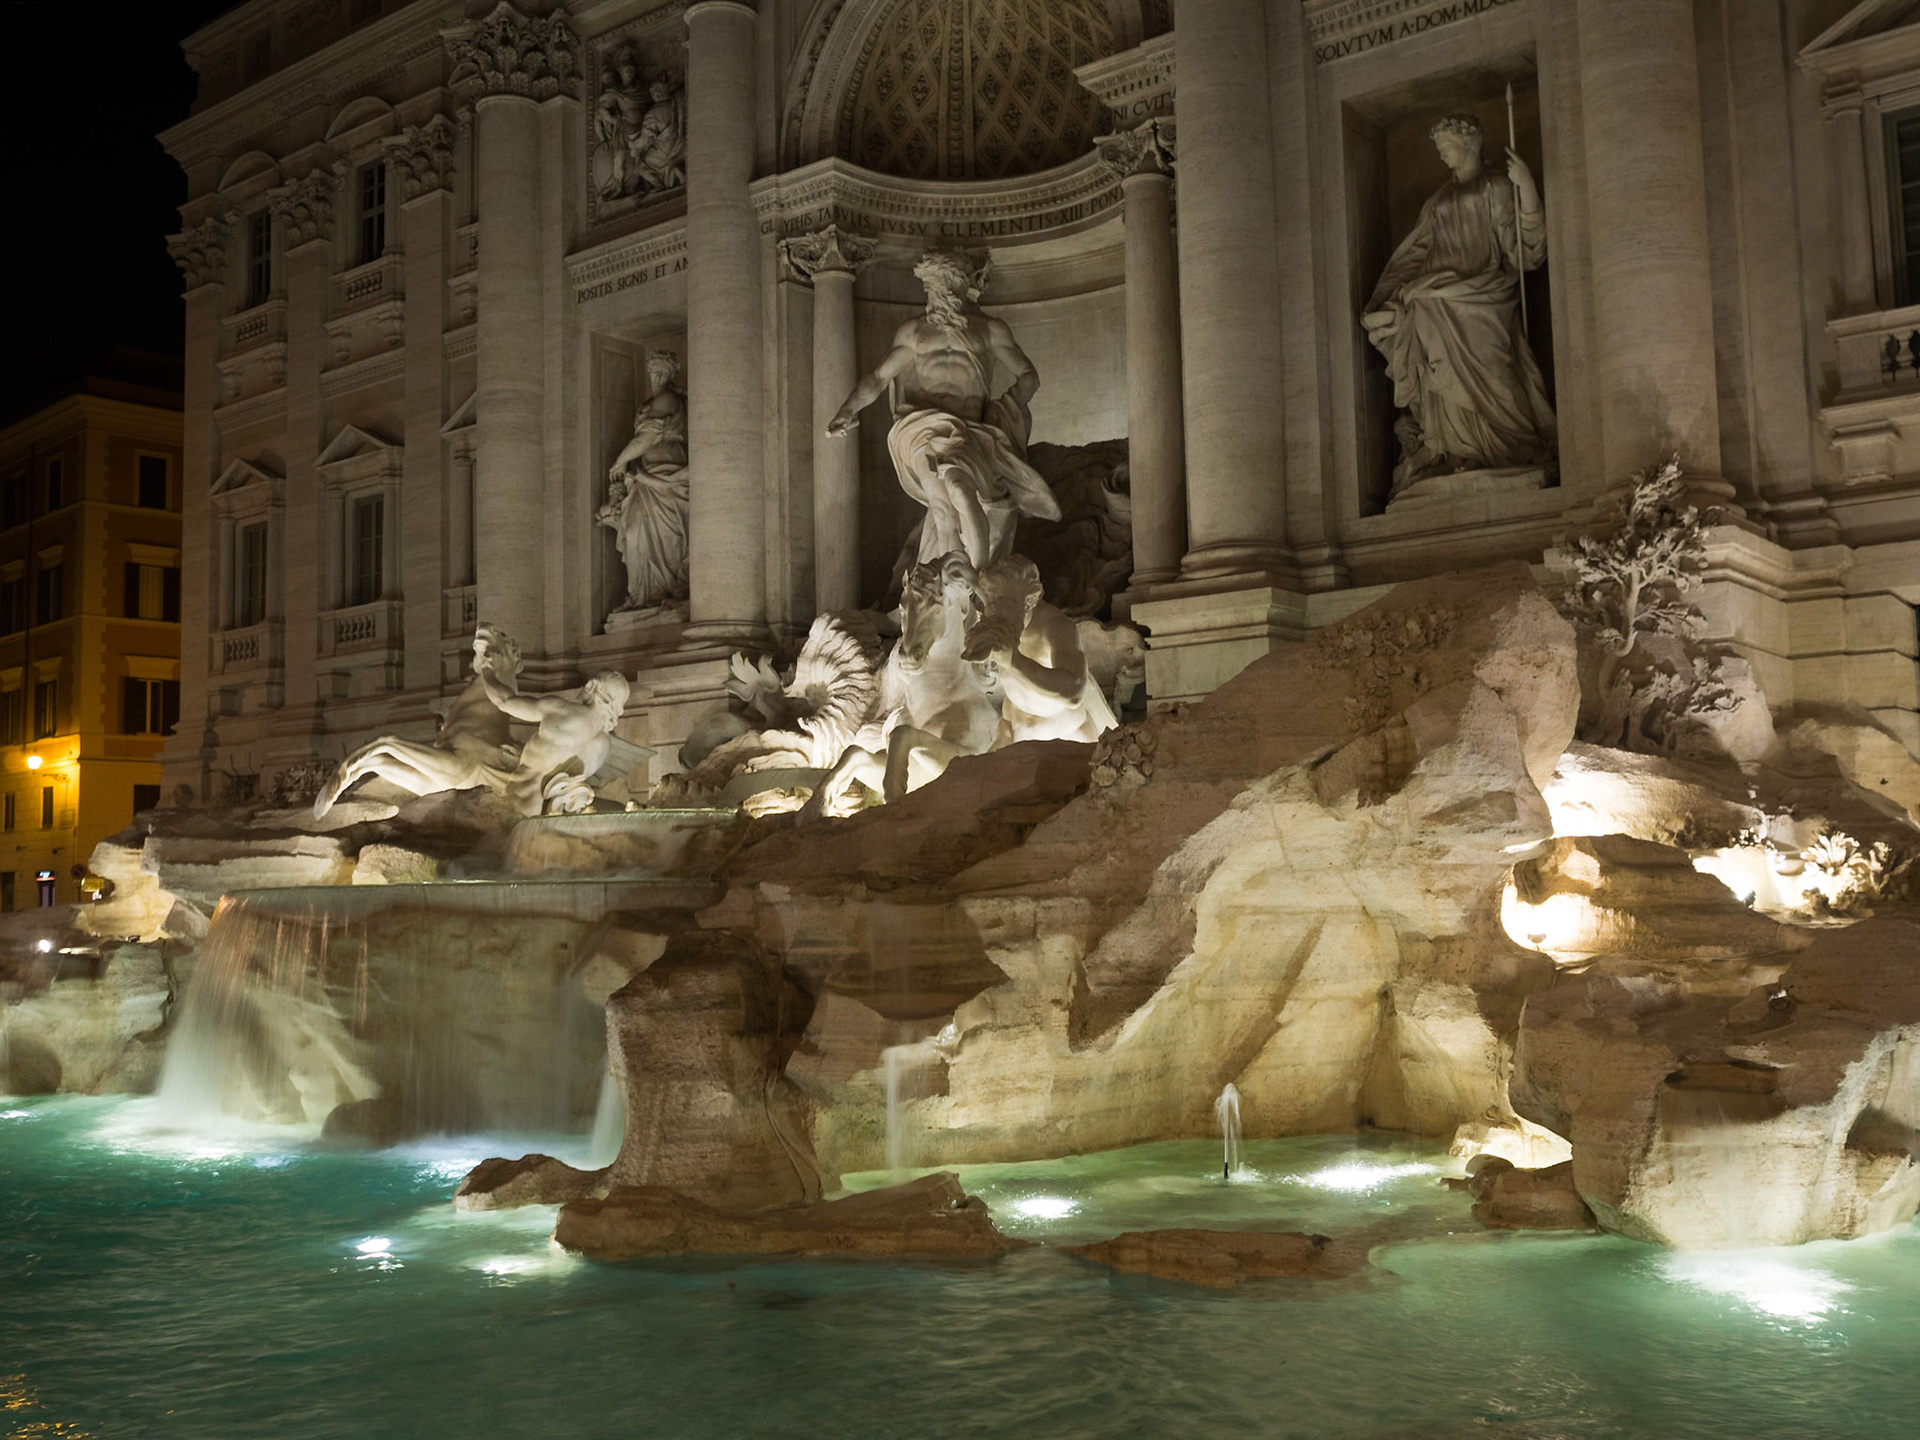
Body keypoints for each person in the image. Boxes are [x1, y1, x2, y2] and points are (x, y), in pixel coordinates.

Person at [1362, 113, 1556, 497]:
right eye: (1439, 149)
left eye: (1446, 147)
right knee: (1435, 356)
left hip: (1483, 294)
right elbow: (1416, 253)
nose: (1442, 156)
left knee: (1496, 373)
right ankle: (1454, 450)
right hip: (1435, 297)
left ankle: (1513, 449)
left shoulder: (1496, 187)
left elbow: (1524, 255)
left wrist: (1528, 190)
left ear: (1468, 145)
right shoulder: (1439, 201)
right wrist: (1391, 297)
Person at [827, 249, 1059, 569]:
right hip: (923, 428)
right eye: (932, 286)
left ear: (961, 285)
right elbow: (879, 378)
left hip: (969, 432)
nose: (936, 293)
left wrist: (1005, 409)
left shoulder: (990, 329)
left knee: (962, 494)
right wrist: (847, 409)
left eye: (943, 284)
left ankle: (975, 577)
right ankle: (954, 590)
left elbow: (1028, 377)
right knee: (943, 510)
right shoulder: (913, 331)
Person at [598, 351, 690, 614]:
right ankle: (643, 596)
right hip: (646, 480)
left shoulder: (667, 399)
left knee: (667, 538)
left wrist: (620, 461)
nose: (658, 376)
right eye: (654, 371)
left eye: (663, 372)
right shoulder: (651, 403)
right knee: (637, 531)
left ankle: (662, 593)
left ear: (671, 376)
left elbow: (648, 438)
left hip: (666, 477)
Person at [479, 669, 631, 817]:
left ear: (591, 685)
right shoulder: (604, 744)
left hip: (520, 799)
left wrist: (486, 671)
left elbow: (505, 701)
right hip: (553, 810)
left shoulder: (563, 710)